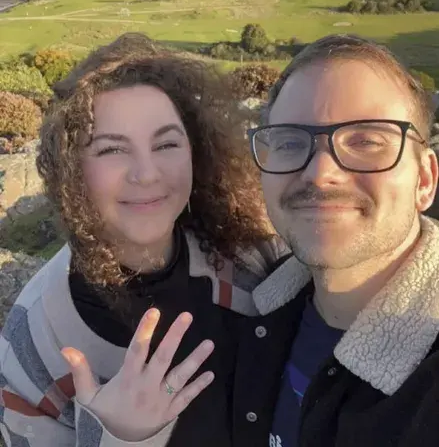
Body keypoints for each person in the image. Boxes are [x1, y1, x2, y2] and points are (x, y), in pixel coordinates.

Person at [0, 33, 286, 447]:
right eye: (112, 150)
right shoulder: (35, 339)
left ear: (196, 151)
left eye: (166, 143)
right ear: (71, 168)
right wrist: (119, 438)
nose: (146, 173)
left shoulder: (256, 261)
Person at [232, 34, 439, 447]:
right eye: (291, 142)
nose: (320, 173)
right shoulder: (254, 306)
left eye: (366, 141)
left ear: (424, 181)